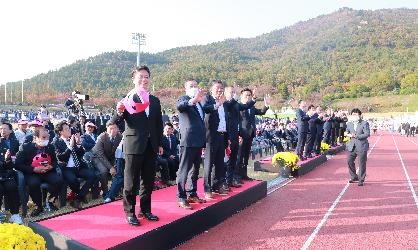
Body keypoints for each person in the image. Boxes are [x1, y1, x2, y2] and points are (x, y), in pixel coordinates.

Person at [112, 66, 163, 226]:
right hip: (134, 145)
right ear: (134, 79)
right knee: (130, 181)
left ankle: (145, 210)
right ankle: (129, 212)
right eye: (140, 76)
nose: (144, 79)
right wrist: (120, 111)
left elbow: (158, 124)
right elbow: (116, 121)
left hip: (151, 145)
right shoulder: (128, 99)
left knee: (148, 181)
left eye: (147, 76)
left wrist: (160, 143)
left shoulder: (154, 100)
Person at [15, 127, 64, 217]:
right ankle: (39, 206)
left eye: (47, 137)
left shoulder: (50, 146)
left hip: (47, 171)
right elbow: (18, 164)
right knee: (34, 184)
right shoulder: (25, 147)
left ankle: (50, 200)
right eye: (43, 138)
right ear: (35, 138)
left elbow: (55, 161)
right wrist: (33, 169)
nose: (46, 140)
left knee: (59, 181)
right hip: (32, 173)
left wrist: (51, 166)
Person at [176, 79, 206, 209]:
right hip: (188, 141)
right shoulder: (184, 99)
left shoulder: (200, 103)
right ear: (185, 88)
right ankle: (181, 197)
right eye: (191, 86)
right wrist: (193, 100)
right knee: (184, 170)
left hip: (198, 141)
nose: (194, 87)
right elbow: (180, 106)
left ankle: (192, 193)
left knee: (195, 169)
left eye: (195, 85)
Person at [53, 121, 96, 209]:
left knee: (92, 175)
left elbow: (80, 155)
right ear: (60, 132)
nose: (69, 130)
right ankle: (81, 196)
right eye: (66, 129)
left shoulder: (72, 139)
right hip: (67, 168)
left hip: (78, 166)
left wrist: (79, 143)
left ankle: (77, 198)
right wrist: (70, 147)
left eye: (69, 128)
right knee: (73, 180)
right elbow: (61, 157)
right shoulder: (56, 142)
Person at [223, 86, 255, 188]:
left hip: (236, 135)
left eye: (234, 92)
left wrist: (253, 99)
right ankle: (225, 181)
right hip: (228, 136)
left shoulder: (236, 104)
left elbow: (245, 106)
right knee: (228, 160)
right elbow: (229, 105)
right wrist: (234, 98)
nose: (233, 94)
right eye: (231, 92)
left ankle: (231, 180)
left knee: (233, 159)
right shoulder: (225, 103)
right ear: (225, 93)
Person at [237, 88, 269, 181]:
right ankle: (236, 176)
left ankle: (244, 175)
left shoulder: (251, 107)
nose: (248, 97)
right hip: (241, 135)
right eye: (246, 95)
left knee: (246, 156)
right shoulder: (238, 106)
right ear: (241, 96)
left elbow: (261, 112)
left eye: (249, 95)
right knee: (239, 156)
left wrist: (266, 105)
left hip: (250, 134)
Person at [91, 121, 122, 198]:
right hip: (97, 158)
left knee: (118, 169)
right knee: (104, 171)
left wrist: (115, 164)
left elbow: (119, 151)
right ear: (107, 129)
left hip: (110, 157)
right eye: (111, 128)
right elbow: (100, 155)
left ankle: (115, 191)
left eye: (115, 128)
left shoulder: (120, 136)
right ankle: (105, 192)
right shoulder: (101, 137)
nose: (113, 130)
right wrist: (111, 167)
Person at [345, 108, 370, 186]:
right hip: (351, 146)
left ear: (359, 115)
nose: (354, 116)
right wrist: (346, 133)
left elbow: (367, 134)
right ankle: (354, 176)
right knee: (349, 161)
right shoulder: (349, 123)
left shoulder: (364, 123)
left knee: (361, 163)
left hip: (362, 145)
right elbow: (347, 131)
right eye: (353, 114)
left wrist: (357, 136)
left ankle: (361, 179)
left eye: (356, 114)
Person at [0, 136, 22, 224]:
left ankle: (15, 214)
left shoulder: (4, 147)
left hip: (4, 175)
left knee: (11, 186)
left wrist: (7, 160)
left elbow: (9, 167)